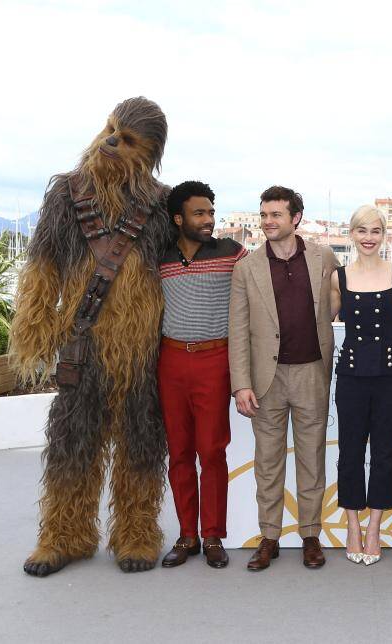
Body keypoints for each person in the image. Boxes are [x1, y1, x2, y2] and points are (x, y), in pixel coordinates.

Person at [11, 97, 172, 576]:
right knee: (71, 447)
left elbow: (184, 272)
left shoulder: (162, 205)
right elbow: (43, 266)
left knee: (143, 447)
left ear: (149, 155)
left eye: (126, 140)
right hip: (85, 346)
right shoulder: (67, 194)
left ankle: (137, 533)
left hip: (145, 354)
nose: (109, 142)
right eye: (110, 128)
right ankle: (64, 536)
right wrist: (35, 330)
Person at [228, 186, 339, 571]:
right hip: (265, 380)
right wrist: (240, 383)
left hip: (312, 373)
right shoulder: (247, 267)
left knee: (312, 460)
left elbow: (348, 297)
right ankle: (269, 538)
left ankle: (311, 536)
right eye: (263, 215)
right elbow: (238, 329)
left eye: (275, 215)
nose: (267, 222)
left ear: (296, 219)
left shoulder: (324, 257)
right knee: (268, 463)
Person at [158, 181, 247, 569]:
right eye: (200, 213)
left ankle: (212, 535)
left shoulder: (232, 253)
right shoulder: (159, 257)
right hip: (171, 361)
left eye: (211, 212)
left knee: (211, 451)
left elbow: (267, 283)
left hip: (215, 360)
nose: (209, 219)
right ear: (179, 218)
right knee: (178, 452)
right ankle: (186, 535)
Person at [329, 205, 392, 566]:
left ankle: (375, 526)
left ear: (384, 235)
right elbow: (327, 321)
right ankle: (352, 525)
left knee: (384, 452)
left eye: (375, 231)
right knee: (349, 452)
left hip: (391, 377)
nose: (368, 237)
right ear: (351, 234)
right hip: (349, 376)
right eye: (361, 230)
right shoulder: (338, 277)